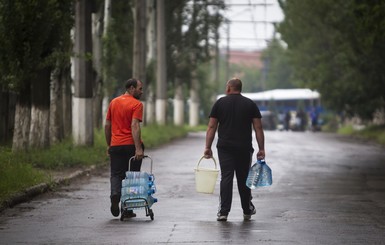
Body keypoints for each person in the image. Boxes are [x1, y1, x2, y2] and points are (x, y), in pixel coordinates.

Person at [204, 78, 265, 222]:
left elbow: (212, 126)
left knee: (226, 178)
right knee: (244, 178)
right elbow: (258, 128)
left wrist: (207, 147)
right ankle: (247, 210)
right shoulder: (250, 104)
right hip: (244, 147)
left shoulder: (220, 103)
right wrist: (261, 148)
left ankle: (223, 212)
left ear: (229, 88)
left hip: (225, 148)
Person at [104, 78, 145, 218]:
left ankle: (115, 195)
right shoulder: (137, 104)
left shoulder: (113, 102)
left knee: (116, 174)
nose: (141, 91)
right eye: (140, 89)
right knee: (132, 176)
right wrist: (138, 148)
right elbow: (134, 125)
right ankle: (127, 209)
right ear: (132, 88)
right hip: (130, 146)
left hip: (116, 145)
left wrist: (109, 145)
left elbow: (107, 126)